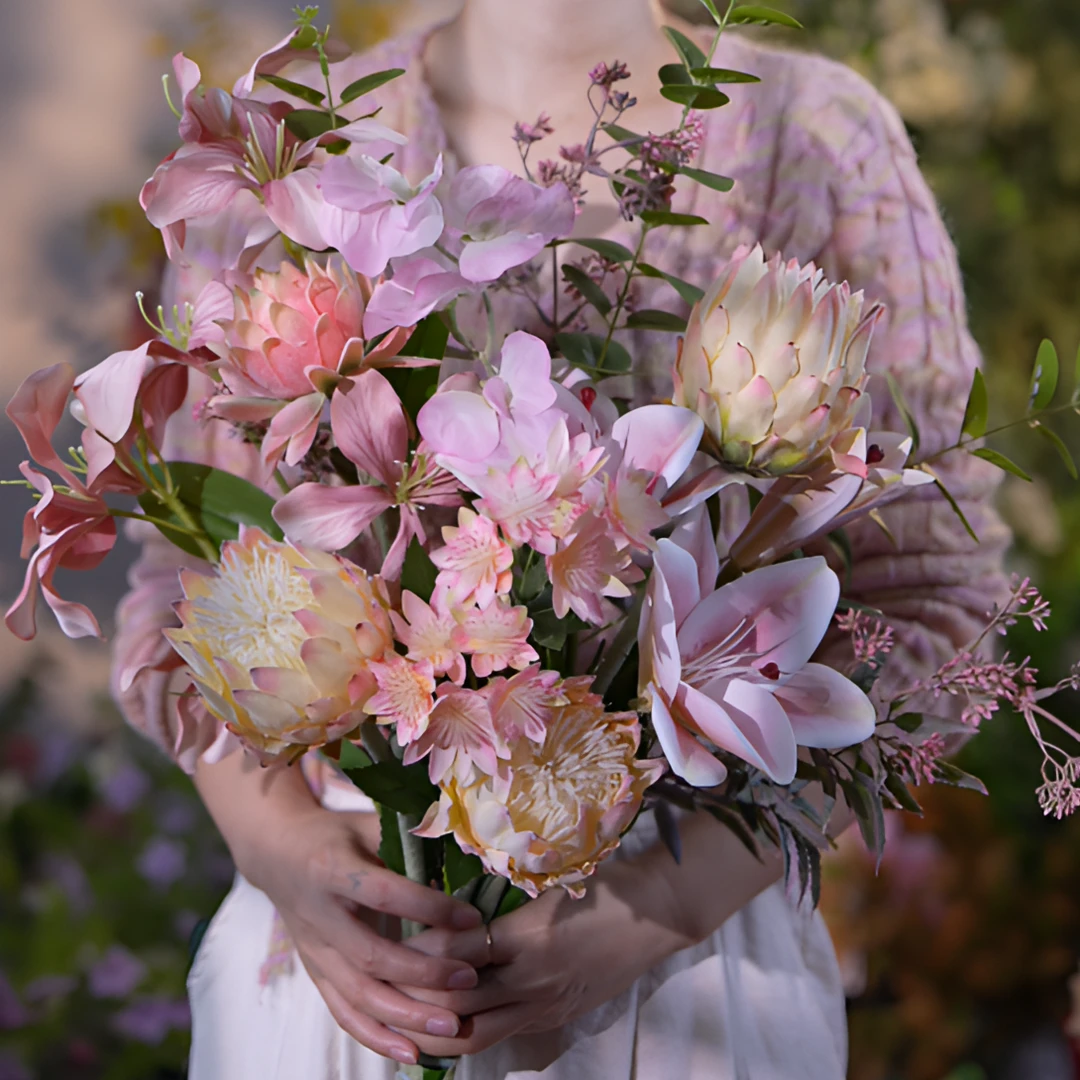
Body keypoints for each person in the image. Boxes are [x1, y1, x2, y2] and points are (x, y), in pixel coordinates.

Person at [112, 0, 1011, 1076]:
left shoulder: (818, 141)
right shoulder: (287, 146)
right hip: (343, 973)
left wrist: (661, 906)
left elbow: (942, 614)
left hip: (689, 982)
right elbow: (186, 584)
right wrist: (284, 851)